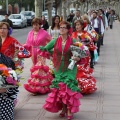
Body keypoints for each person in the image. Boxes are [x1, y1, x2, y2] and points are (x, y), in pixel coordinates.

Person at [40, 21, 83, 120]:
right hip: (58, 67)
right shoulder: (55, 41)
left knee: (68, 88)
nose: (62, 29)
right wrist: (40, 49)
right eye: (60, 27)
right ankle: (63, 109)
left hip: (70, 67)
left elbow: (80, 53)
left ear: (68, 30)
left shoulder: (73, 41)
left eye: (64, 27)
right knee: (60, 89)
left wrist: (77, 58)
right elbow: (46, 49)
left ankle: (69, 110)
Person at [0, 22, 25, 120]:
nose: (2, 30)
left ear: (8, 30)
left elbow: (24, 51)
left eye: (4, 28)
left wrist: (16, 59)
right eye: (0, 28)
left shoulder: (12, 40)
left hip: (8, 67)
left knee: (8, 90)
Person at [24, 18, 53, 94]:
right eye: (33, 25)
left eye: (36, 24)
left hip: (41, 52)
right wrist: (23, 48)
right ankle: (36, 86)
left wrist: (47, 48)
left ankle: (40, 87)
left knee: (40, 69)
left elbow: (51, 41)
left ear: (40, 25)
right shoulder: (30, 33)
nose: (34, 26)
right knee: (34, 68)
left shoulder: (44, 33)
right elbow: (27, 43)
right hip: (32, 52)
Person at [72, 19, 97, 94]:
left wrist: (84, 46)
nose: (77, 26)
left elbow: (91, 44)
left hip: (85, 56)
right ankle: (77, 86)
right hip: (75, 55)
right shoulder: (73, 34)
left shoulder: (86, 34)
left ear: (82, 26)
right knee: (76, 70)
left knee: (83, 70)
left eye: (79, 25)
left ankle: (84, 87)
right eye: (76, 25)